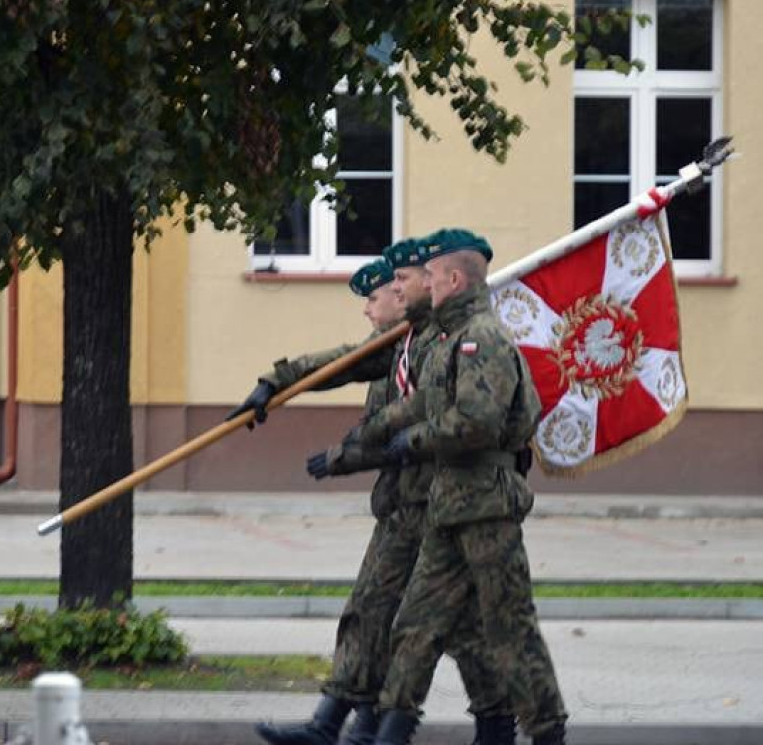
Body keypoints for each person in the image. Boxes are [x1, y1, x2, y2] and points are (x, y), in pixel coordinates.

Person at [232, 240, 507, 745]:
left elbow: (420, 431)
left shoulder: (441, 342)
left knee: (447, 628)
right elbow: (342, 364)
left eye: (394, 286)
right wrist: (274, 382)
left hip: (442, 506)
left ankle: (487, 726)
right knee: (375, 612)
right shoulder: (404, 343)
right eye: (395, 285)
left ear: (431, 284)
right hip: (406, 506)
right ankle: (343, 724)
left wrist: (344, 458)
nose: (384, 300)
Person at [361, 229, 568, 745]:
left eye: (429, 276)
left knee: (510, 630)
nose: (422, 284)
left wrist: (413, 441)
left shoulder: (482, 339)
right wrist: (370, 436)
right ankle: (388, 733)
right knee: (415, 623)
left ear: (454, 279)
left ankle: (547, 733)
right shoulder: (452, 341)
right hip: (448, 507)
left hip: (486, 507)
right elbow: (421, 402)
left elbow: (474, 422)